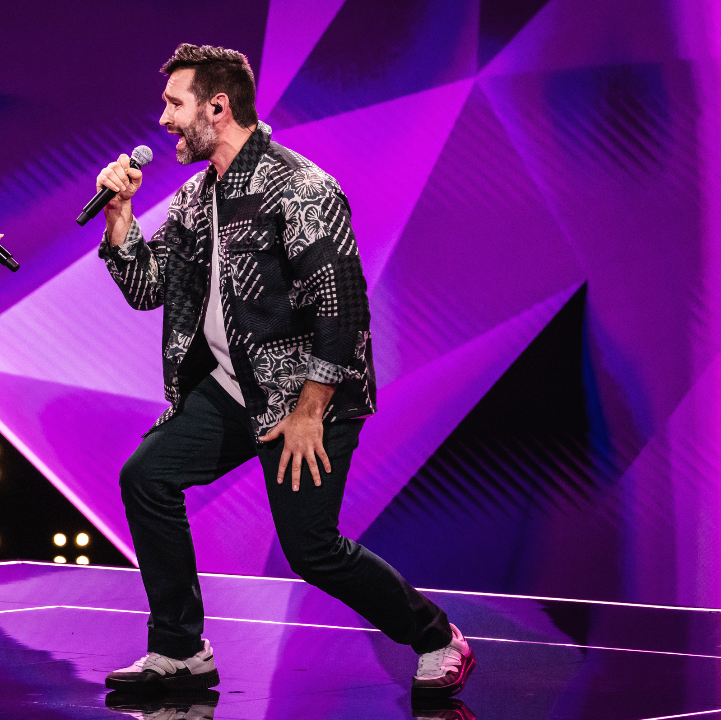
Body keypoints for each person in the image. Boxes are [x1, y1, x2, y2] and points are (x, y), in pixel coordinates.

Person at [93, 44, 475, 698]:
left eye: (174, 104)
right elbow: (148, 288)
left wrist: (309, 412)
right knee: (147, 476)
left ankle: (437, 636)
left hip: (308, 396)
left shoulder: (299, 187)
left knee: (312, 549)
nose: (163, 119)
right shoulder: (196, 198)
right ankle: (180, 649)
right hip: (232, 388)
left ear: (217, 107)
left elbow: (343, 306)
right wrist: (119, 217)